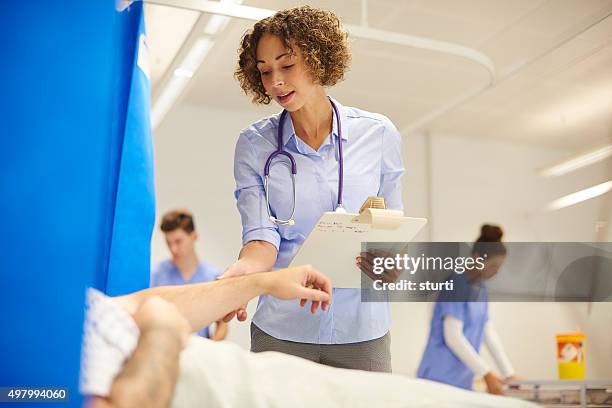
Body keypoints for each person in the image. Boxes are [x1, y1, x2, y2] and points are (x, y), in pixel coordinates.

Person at [226, 5, 404, 372]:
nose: (275, 81)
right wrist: (243, 272)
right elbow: (261, 238)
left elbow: (389, 226)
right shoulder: (254, 145)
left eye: (286, 65)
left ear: (317, 59)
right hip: (282, 330)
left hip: (362, 332)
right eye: (264, 70)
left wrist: (390, 261)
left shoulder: (378, 134)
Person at [81, 265, 537, 408]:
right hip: (215, 386)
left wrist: (263, 281)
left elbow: (136, 302)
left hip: (245, 374)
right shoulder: (32, 366)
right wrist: (161, 326)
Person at [416, 224, 519, 394]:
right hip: (439, 377)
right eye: (493, 266)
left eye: (499, 267)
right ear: (477, 257)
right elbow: (453, 336)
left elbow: (488, 332)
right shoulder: (457, 283)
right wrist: (486, 374)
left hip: (462, 379)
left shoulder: (481, 288)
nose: (496, 272)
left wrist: (509, 373)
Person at [151, 210, 228, 341]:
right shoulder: (157, 275)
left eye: (178, 241)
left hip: (201, 351)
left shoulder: (213, 277)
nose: (173, 249)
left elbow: (222, 325)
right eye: (169, 243)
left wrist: (211, 350)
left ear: (194, 236)